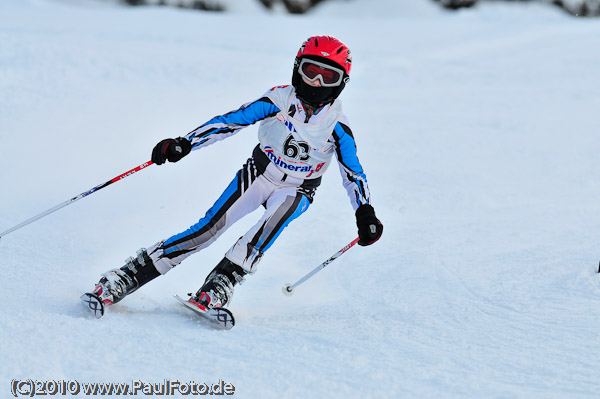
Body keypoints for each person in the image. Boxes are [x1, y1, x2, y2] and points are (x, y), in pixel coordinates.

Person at [88, 35, 383, 313]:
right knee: (208, 229)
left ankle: (222, 281)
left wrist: (365, 212)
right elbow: (229, 122)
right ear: (296, 69)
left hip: (299, 188)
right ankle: (130, 274)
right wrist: (185, 143)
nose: (316, 82)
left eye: (327, 76)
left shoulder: (337, 127)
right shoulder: (278, 100)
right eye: (310, 71)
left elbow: (353, 175)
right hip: (259, 172)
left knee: (267, 228)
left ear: (341, 83)